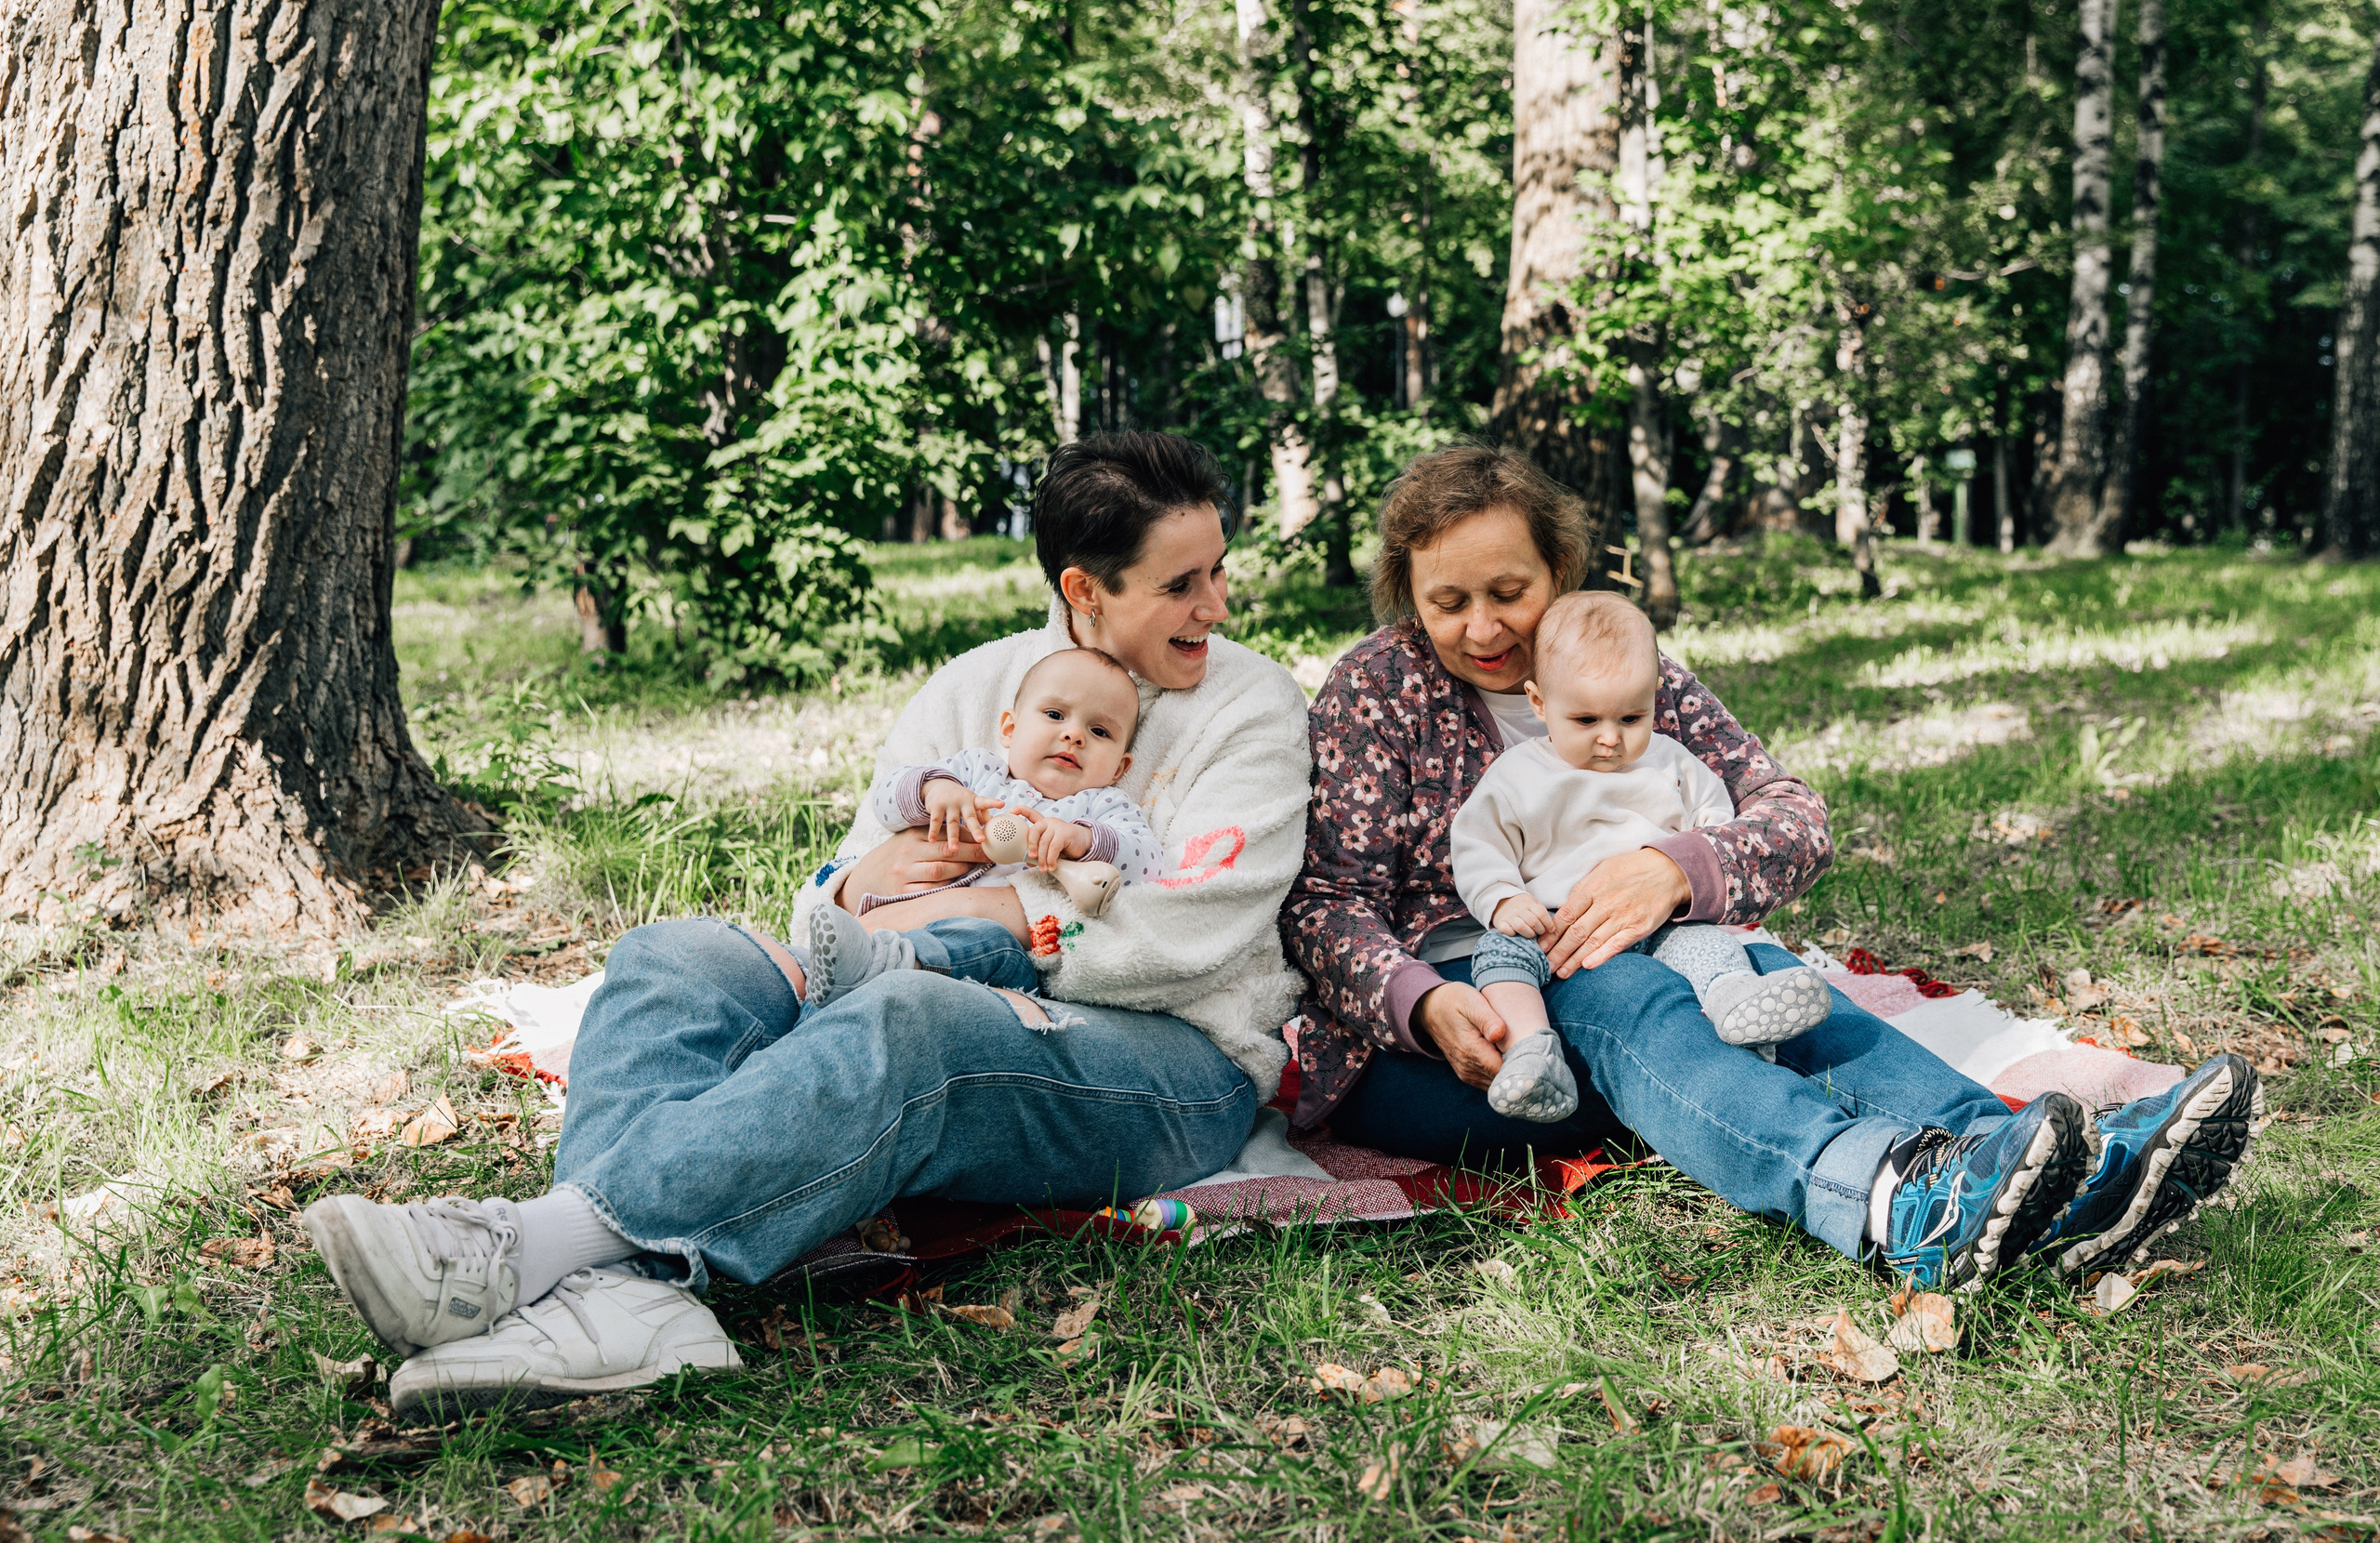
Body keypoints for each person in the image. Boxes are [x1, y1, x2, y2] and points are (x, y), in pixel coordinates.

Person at [304, 433, 1314, 1416]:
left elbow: (1193, 934)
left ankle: (531, 1247)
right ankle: (626, 1304)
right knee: (673, 958)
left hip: (1174, 1065)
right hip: (924, 975)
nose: (1216, 607)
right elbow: (830, 902)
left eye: (1218, 573)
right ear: (1084, 590)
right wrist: (857, 883)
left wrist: (975, 908)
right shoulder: (977, 687)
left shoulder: (1253, 706)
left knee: (913, 1020)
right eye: (1182, 585)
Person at [1284, 444, 2262, 1294]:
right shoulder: (1379, 688)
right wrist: (1418, 1001)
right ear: (1409, 599)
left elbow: (1792, 813)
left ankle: (2039, 1164)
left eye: (1510, 593)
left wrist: (1679, 867)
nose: (1484, 629)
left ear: (1563, 570)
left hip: (1651, 950)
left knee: (1775, 989)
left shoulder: (1622, 670)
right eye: (1447, 602)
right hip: (1460, 1013)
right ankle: (1886, 1198)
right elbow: (1326, 900)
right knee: (1627, 990)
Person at [1449, 590, 1833, 1125]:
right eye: (1585, 721)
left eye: (1632, 717)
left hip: (1658, 919)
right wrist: (1502, 899)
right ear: (1539, 703)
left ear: (1655, 697)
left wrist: (1686, 861)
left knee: (1706, 948)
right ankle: (1531, 1051)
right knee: (1498, 958)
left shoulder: (1668, 760)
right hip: (1551, 926)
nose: (1610, 739)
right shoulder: (1518, 775)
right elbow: (1478, 844)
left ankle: (1737, 1001)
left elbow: (1715, 820)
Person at [802, 645, 1162, 1008]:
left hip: (995, 953)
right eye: (1055, 714)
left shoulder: (1100, 805)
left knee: (980, 939)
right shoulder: (976, 772)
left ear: (1119, 768)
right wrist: (934, 789)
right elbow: (884, 801)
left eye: (1099, 731)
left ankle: (887, 963)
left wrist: (1083, 839)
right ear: (1010, 728)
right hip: (896, 916)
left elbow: (1148, 863)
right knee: (816, 997)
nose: (1074, 735)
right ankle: (831, 981)